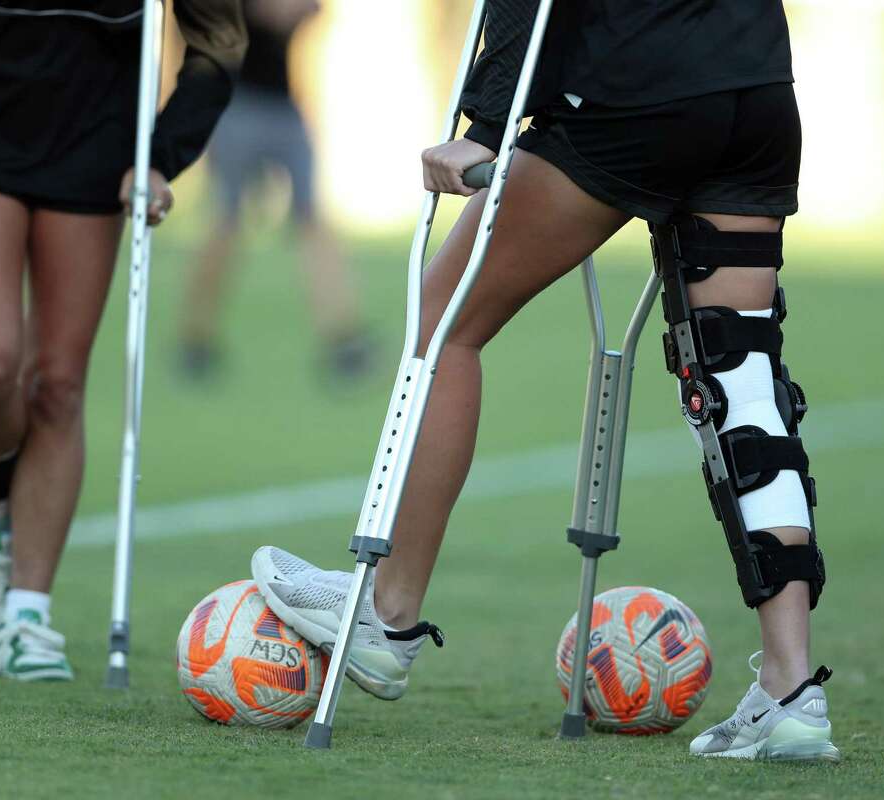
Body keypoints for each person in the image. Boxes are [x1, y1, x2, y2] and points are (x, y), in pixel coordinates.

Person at [250, 0, 840, 762]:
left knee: (446, 321)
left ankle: (388, 618)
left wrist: (486, 129)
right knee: (743, 378)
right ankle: (792, 691)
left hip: (631, 88)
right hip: (754, 89)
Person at [0, 0, 246, 681]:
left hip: (97, 137)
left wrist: (165, 153)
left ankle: (29, 612)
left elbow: (219, 36)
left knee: (58, 383)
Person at [178, 0, 371, 382]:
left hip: (284, 105)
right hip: (237, 106)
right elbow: (276, 14)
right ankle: (196, 337)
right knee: (226, 222)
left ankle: (343, 337)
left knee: (312, 219)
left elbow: (310, 12)